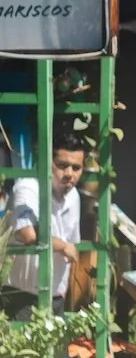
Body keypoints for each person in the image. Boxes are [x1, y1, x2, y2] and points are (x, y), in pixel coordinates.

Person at [8, 124, 84, 314]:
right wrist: (62, 246)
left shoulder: (74, 197)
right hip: (19, 297)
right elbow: (27, 234)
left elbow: (73, 244)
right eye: (62, 165)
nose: (69, 174)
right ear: (48, 161)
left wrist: (63, 292)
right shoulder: (28, 188)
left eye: (76, 168)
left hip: (55, 298)